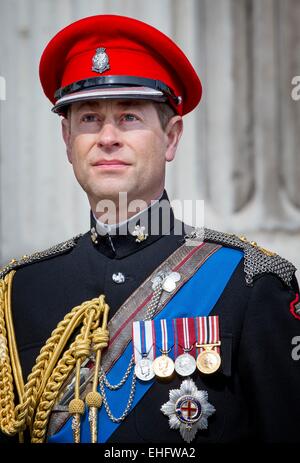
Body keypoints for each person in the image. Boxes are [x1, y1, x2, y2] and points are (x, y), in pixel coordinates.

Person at [0, 14, 299, 445]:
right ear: (67, 139)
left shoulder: (249, 282)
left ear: (172, 137)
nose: (107, 137)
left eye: (128, 117)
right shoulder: (19, 291)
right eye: (88, 118)